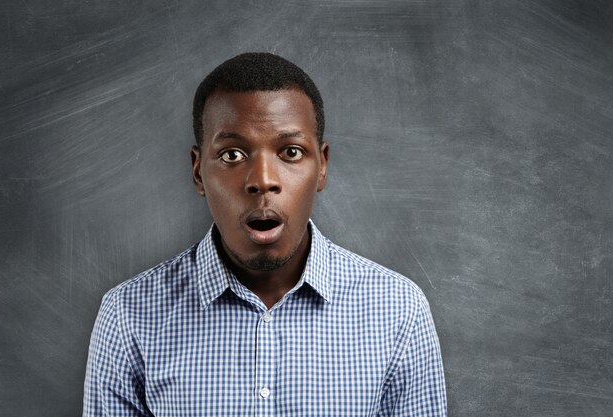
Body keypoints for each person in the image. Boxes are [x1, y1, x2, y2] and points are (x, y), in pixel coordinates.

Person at [83, 52, 447, 416]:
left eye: (290, 152)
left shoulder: (398, 311)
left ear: (321, 167)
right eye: (232, 155)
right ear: (198, 173)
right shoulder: (129, 316)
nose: (262, 181)